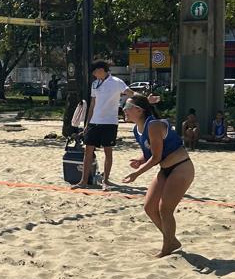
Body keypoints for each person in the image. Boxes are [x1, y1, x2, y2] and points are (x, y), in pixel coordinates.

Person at [122, 92, 194, 258]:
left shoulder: (153, 125)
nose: (123, 109)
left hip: (181, 167)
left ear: (139, 110)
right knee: (149, 207)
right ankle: (172, 241)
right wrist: (140, 160)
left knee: (165, 209)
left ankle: (167, 248)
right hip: (165, 169)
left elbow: (156, 157)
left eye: (127, 106)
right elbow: (150, 152)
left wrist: (136, 173)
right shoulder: (137, 129)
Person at [74, 58, 127, 189]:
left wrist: (146, 99)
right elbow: (92, 104)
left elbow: (131, 93)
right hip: (94, 122)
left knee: (108, 151)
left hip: (109, 122)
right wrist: (87, 123)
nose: (93, 74)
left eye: (95, 72)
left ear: (101, 70)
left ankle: (106, 181)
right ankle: (83, 181)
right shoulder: (95, 84)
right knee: (88, 151)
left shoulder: (116, 82)